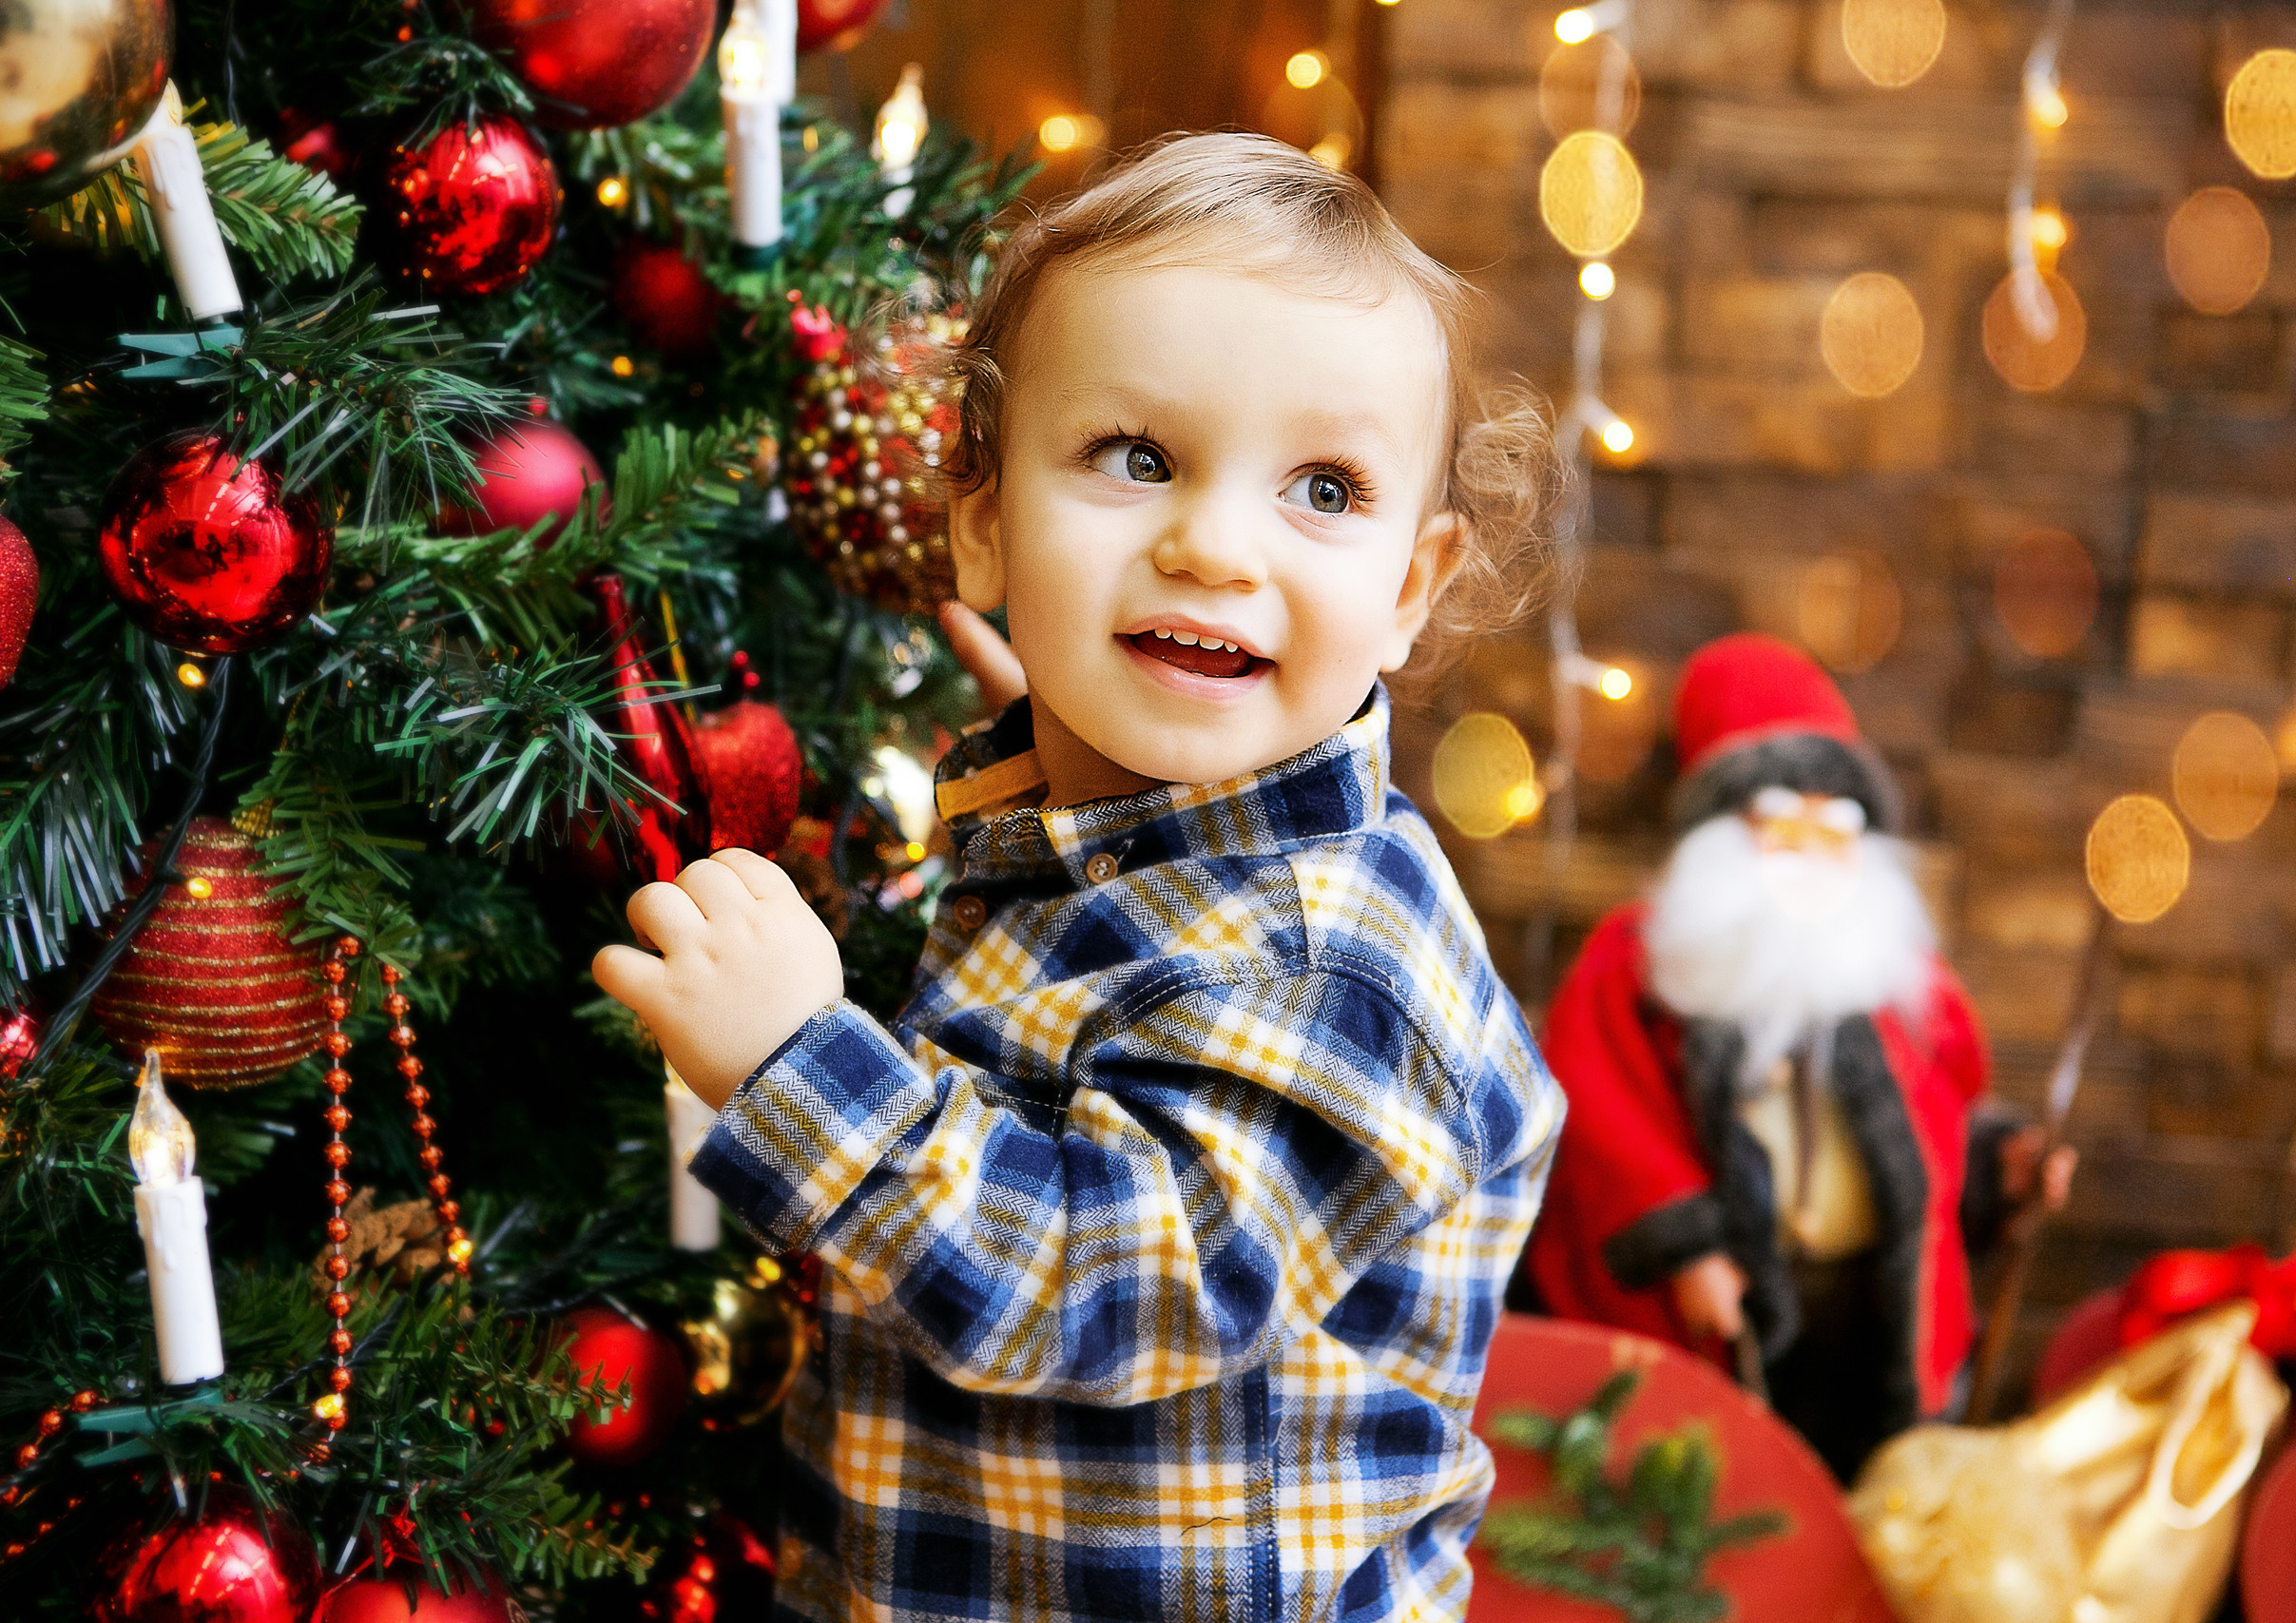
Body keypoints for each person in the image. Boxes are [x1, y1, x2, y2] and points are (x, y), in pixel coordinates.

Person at [593, 133, 1567, 1623]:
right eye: (1135, 458)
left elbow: (1093, 1282)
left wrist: (799, 1061)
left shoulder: (1334, 953)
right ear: (987, 521)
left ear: (1411, 588)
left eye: (1322, 485)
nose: (1215, 544)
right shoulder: (1083, 831)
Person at [1520, 632, 2073, 1480]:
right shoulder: (1641, 965)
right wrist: (1684, 1245)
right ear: (1719, 832)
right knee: (1727, 1496)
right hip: (1721, 1313)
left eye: (1836, 825)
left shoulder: (1889, 977)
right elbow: (1601, 1114)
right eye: (1783, 822)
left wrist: (2005, 1163)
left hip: (1870, 1311)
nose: (1812, 852)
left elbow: (1939, 1117)